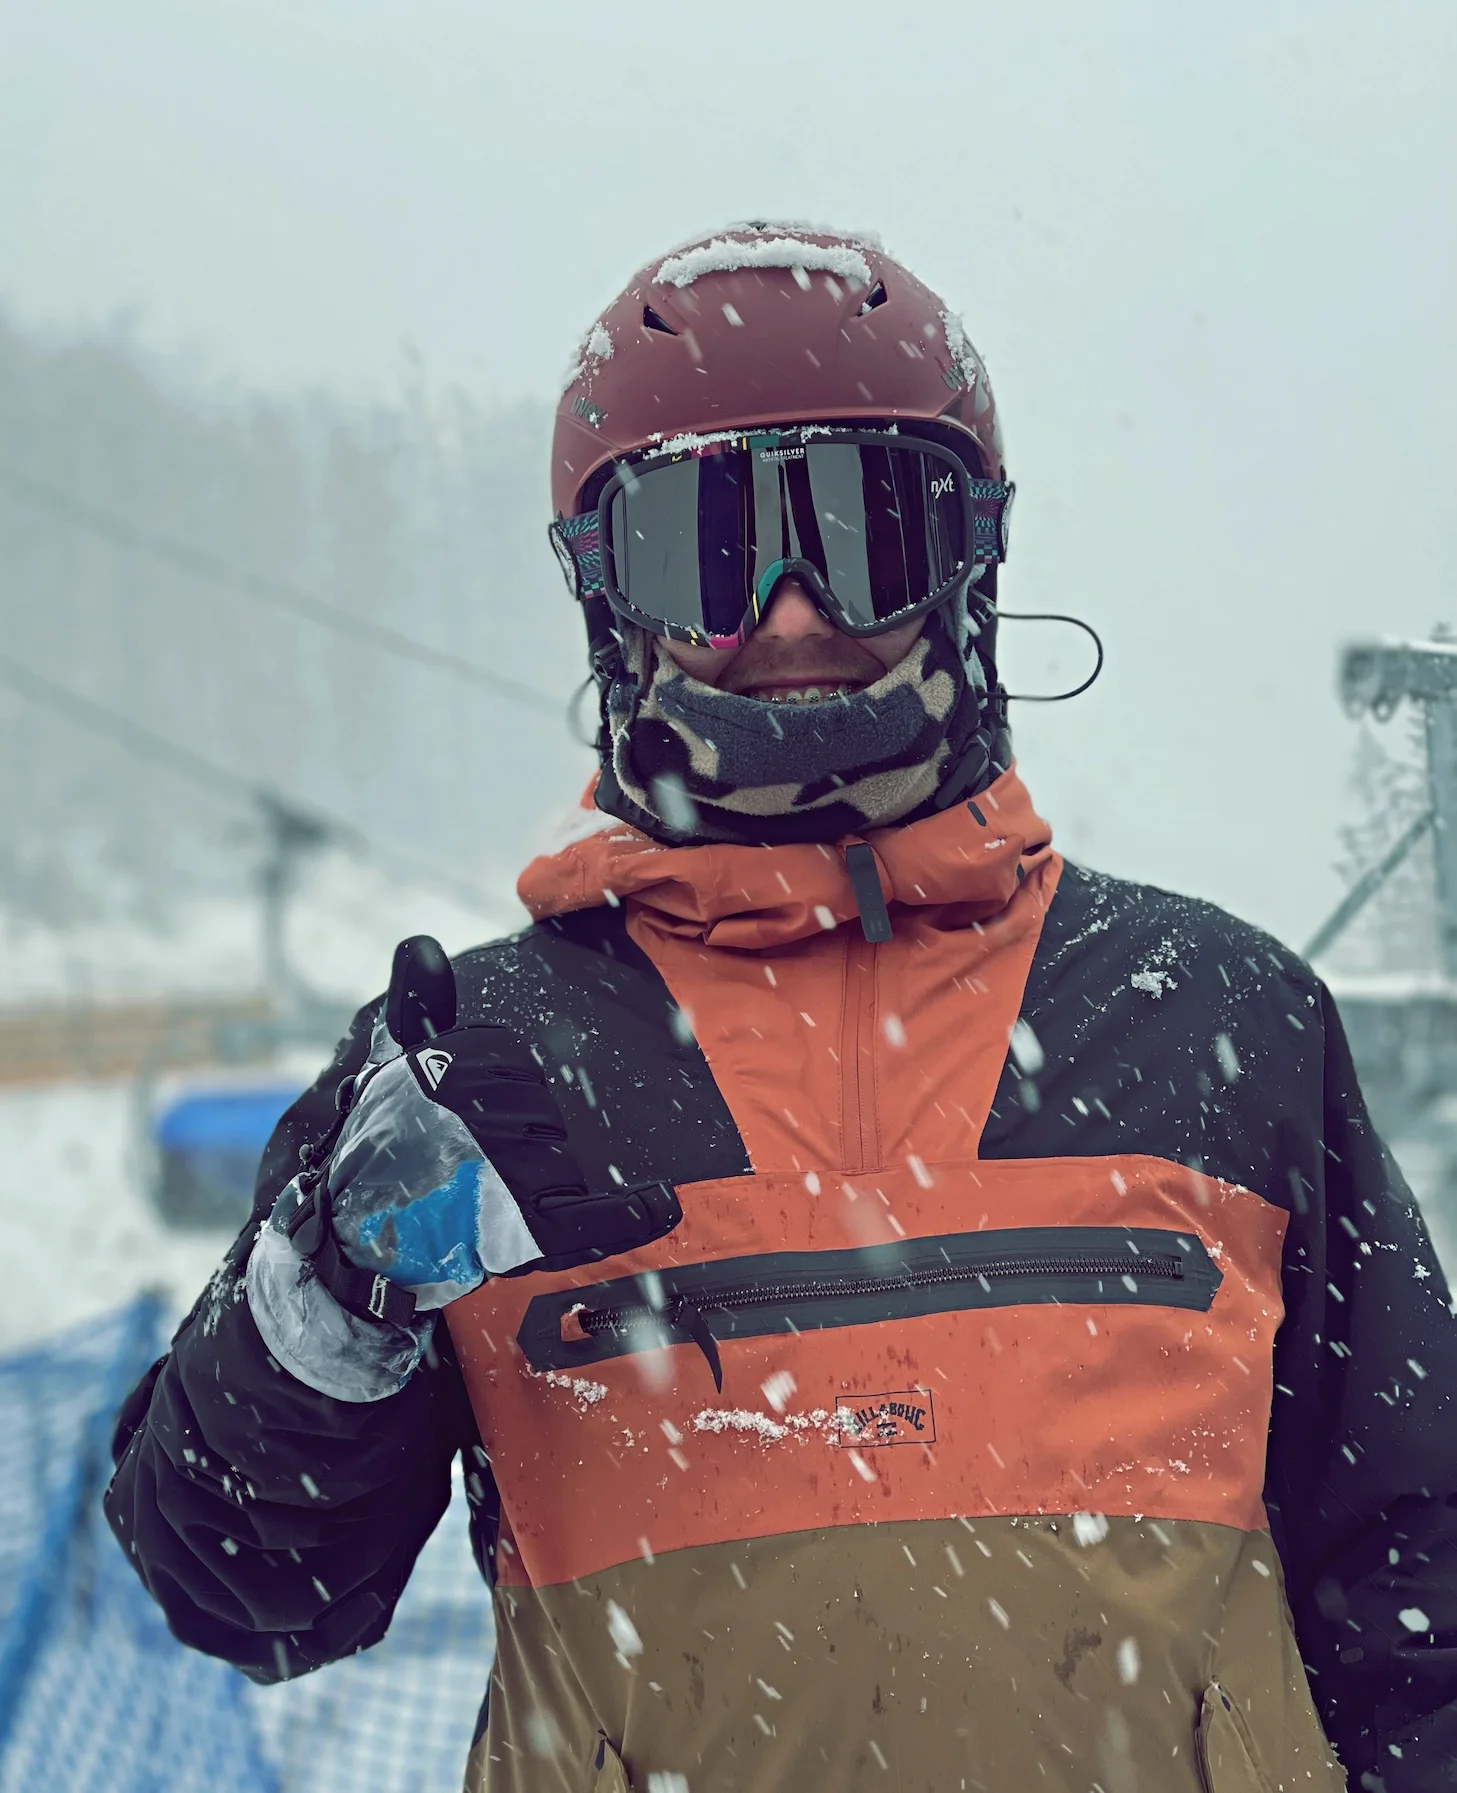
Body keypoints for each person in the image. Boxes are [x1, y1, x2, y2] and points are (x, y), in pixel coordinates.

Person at [107, 223, 1457, 1793]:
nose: (796, 612)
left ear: (972, 557)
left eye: (866, 528)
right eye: (710, 548)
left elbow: (1421, 1592)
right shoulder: (474, 1072)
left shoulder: (1219, 1023)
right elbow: (242, 1592)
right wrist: (332, 1294)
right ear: (608, 595)